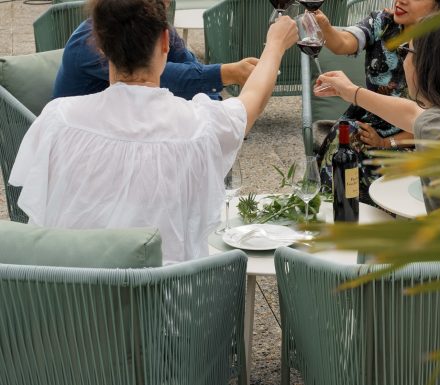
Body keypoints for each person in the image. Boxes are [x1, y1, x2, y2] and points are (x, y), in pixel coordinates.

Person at [9, 0, 298, 263]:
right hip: (165, 312)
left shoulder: (57, 118)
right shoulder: (197, 126)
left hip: (67, 310)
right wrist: (274, 45)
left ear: (99, 44)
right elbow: (253, 101)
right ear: (164, 42)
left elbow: (35, 214)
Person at [314, 14, 440, 212]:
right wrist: (350, 91)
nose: (403, 59)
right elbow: (412, 114)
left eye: (406, 50)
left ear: (429, 64)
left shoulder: (439, 127)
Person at [313, 0, 440, 205]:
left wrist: (387, 143)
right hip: (369, 124)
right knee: (344, 137)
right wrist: (325, 27)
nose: (402, 0)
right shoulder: (384, 22)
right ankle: (332, 210)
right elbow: (342, 43)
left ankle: (380, 220)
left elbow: (437, 120)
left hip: (417, 138)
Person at [52, 0, 258, 100]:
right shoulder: (99, 36)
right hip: (90, 140)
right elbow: (150, 77)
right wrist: (228, 73)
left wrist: (211, 105)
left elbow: (189, 67)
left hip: (131, 125)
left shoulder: (156, 24)